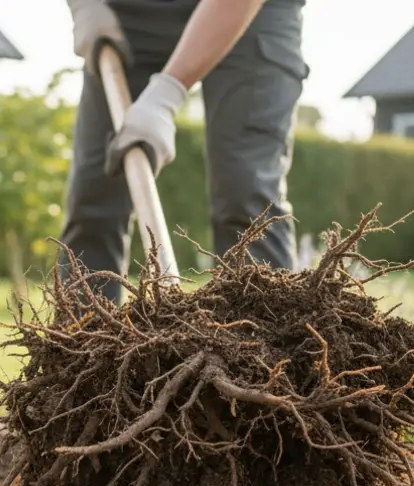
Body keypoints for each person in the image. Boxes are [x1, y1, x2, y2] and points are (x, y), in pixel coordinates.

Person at [59, 0, 309, 303]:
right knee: (94, 201)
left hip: (252, 15)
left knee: (247, 195)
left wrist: (167, 93)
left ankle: (266, 344)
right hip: (124, 17)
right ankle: (82, 344)